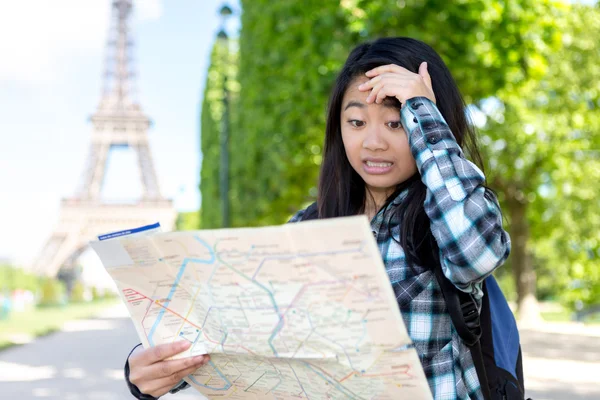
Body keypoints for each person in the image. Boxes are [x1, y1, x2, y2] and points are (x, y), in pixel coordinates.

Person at [124, 36, 511, 400]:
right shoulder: (307, 230)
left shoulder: (444, 219)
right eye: (356, 123)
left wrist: (422, 109)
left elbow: (476, 253)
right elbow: (246, 335)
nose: (373, 142)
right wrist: (155, 369)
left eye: (396, 123)